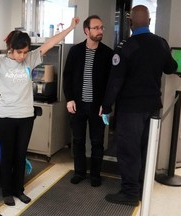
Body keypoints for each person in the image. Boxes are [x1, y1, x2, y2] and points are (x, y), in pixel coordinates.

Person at [0, 17, 80, 206]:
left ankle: (18, 190)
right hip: (5, 117)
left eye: (25, 52)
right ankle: (6, 191)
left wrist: (70, 27)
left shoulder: (30, 58)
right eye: (19, 52)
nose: (22, 56)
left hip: (26, 117)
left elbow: (51, 43)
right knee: (7, 154)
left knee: (21, 154)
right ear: (11, 49)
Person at [100, 5, 178, 206]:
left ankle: (129, 194)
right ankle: (143, 188)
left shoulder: (126, 46)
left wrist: (106, 106)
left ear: (131, 22)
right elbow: (171, 68)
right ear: (150, 22)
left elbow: (115, 80)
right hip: (153, 107)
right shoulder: (161, 43)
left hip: (131, 109)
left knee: (129, 150)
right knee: (145, 148)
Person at [63, 15, 113, 187]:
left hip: (97, 107)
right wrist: (69, 99)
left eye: (102, 27)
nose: (100, 31)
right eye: (96, 28)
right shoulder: (75, 51)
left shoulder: (108, 54)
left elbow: (111, 83)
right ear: (86, 31)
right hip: (77, 104)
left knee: (97, 141)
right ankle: (79, 172)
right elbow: (67, 76)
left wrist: (106, 105)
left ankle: (95, 175)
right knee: (77, 140)